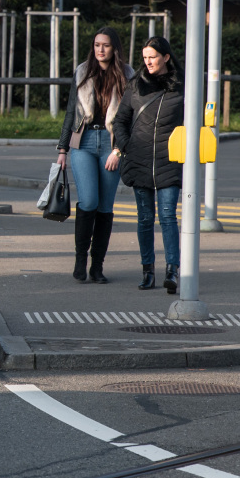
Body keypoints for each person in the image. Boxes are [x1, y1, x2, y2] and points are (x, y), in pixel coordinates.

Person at [56, 26, 134, 284]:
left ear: (115, 48)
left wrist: (118, 150)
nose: (100, 49)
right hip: (84, 141)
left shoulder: (127, 75)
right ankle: (80, 259)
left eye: (106, 45)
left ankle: (97, 267)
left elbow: (130, 118)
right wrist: (62, 149)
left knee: (105, 207)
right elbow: (70, 112)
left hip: (111, 145)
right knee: (88, 201)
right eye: (97, 44)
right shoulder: (82, 71)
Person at [110, 36, 185, 294]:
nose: (148, 62)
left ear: (165, 57)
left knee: (167, 216)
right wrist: (127, 146)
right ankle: (147, 270)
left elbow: (194, 123)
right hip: (139, 160)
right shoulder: (135, 86)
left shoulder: (182, 87)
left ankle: (172, 271)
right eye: (145, 58)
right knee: (144, 218)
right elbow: (119, 121)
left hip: (170, 160)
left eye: (152, 57)